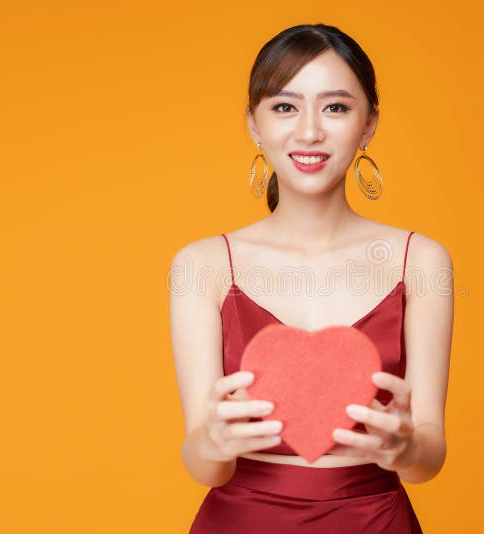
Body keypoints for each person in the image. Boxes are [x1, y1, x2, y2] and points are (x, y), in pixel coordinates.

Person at [169, 23, 454, 533]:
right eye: (284, 107)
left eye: (336, 107)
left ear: (368, 126)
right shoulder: (201, 265)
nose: (309, 131)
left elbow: (429, 457)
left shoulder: (421, 261)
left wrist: (408, 447)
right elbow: (203, 462)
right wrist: (211, 442)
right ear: (254, 125)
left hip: (375, 520)